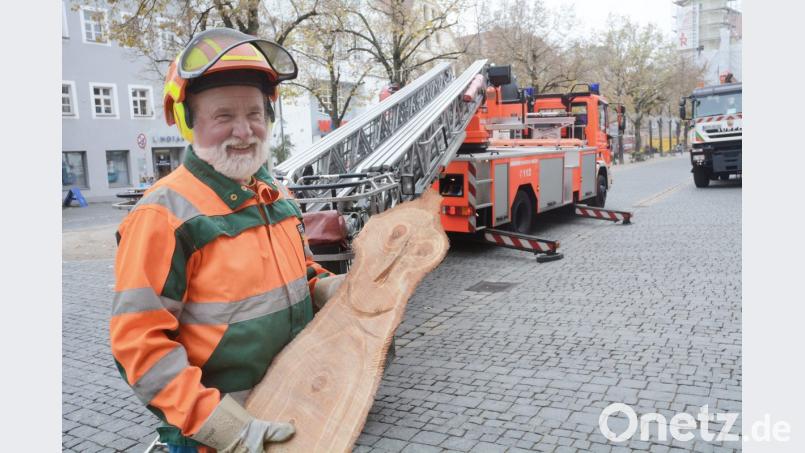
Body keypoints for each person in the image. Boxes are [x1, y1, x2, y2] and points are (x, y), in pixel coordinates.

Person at [110, 28, 344, 453]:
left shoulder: (276, 194)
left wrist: (332, 289)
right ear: (188, 122)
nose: (244, 131)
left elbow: (299, 275)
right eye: (223, 116)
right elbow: (139, 344)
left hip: (296, 412)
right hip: (218, 438)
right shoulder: (163, 215)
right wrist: (226, 426)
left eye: (255, 113)